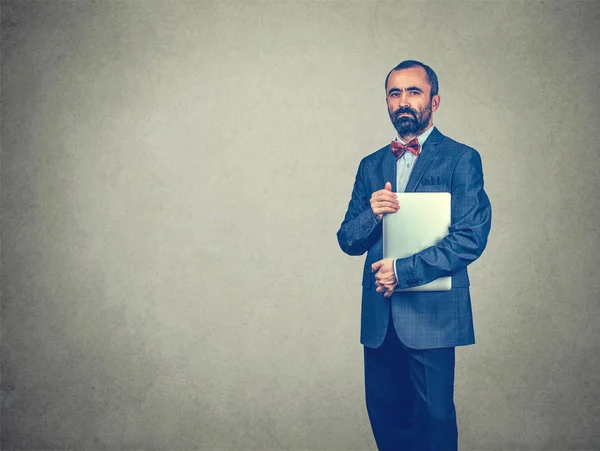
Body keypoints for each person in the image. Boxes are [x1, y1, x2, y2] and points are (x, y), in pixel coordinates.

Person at [336, 60, 492, 451]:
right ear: (387, 102)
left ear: (434, 100)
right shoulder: (370, 165)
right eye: (394, 93)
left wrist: (402, 272)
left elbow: (470, 237)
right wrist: (371, 212)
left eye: (413, 91)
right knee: (386, 420)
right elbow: (347, 240)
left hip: (432, 315)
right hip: (380, 319)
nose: (402, 101)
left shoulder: (461, 158)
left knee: (434, 423)